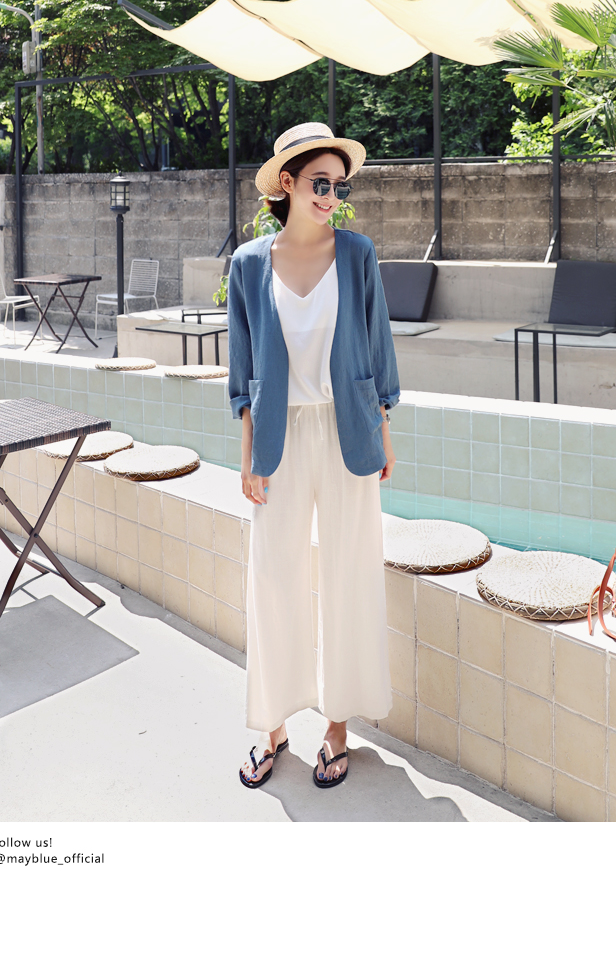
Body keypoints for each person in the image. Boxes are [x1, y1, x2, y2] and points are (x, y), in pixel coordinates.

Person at [228, 121, 399, 790]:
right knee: (274, 577)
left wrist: (385, 431)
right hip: (279, 437)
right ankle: (272, 724)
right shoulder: (248, 264)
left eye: (340, 187)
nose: (331, 197)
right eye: (320, 184)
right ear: (288, 184)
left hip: (348, 430)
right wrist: (248, 456)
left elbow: (378, 347)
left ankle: (337, 727)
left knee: (350, 573)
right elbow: (242, 371)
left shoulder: (357, 254)